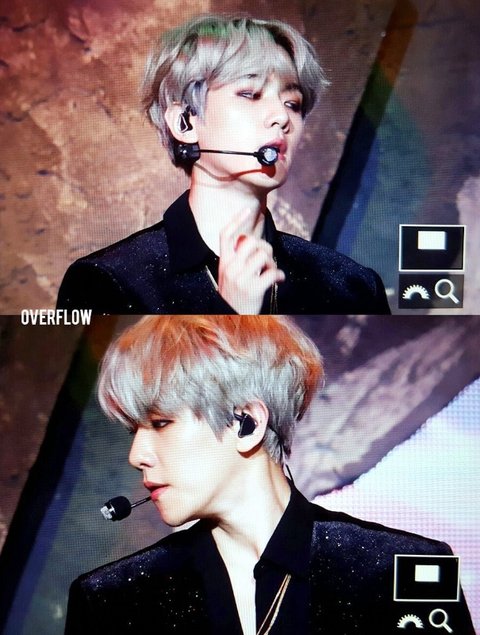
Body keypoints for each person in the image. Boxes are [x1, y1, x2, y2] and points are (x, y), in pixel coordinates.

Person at [65, 315, 474, 634]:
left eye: (160, 423)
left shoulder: (403, 571)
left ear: (246, 423)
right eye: (133, 431)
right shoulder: (111, 600)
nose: (136, 455)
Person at [57, 15, 390, 314]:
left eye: (292, 103)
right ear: (185, 122)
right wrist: (231, 313)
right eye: (250, 94)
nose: (281, 117)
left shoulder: (352, 287)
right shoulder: (108, 281)